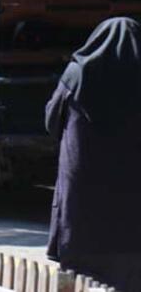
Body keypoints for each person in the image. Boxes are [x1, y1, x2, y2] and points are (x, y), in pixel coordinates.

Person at [45, 17, 141, 290]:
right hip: (132, 219)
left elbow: (51, 122)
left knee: (81, 282)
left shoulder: (76, 74)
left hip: (82, 215)